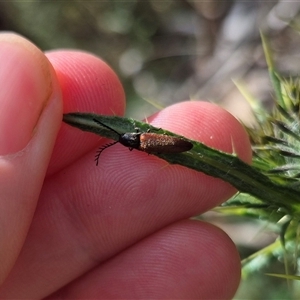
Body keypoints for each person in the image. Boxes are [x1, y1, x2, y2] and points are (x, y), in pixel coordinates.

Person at [0, 33, 252, 299]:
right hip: (167, 143)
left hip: (169, 144)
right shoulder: (141, 140)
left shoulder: (140, 143)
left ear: (131, 139)